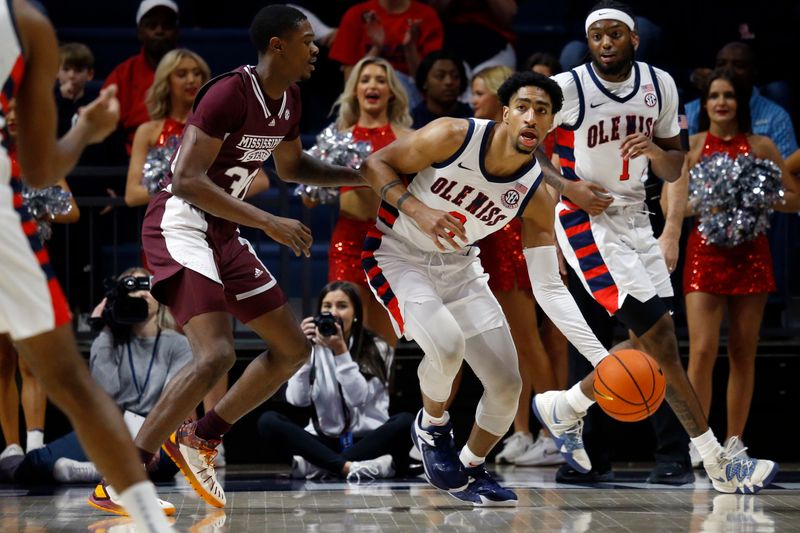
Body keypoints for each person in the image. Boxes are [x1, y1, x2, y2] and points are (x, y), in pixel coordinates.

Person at [88, 5, 365, 514]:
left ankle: (201, 437)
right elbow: (189, 179)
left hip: (224, 229)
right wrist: (268, 222)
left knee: (290, 349)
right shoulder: (227, 93)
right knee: (215, 356)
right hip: (180, 222)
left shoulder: (291, 99)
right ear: (277, 45)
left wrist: (364, 174)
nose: (316, 48)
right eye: (306, 40)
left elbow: (293, 165)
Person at [532, 1, 778, 495]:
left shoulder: (660, 85)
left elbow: (673, 166)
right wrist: (567, 187)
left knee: (652, 342)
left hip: (638, 221)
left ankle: (568, 404)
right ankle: (716, 463)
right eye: (596, 36)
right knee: (663, 340)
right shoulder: (569, 87)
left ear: (633, 39)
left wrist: (654, 152)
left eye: (614, 35)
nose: (605, 43)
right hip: (588, 221)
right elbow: (526, 148)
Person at [360, 70, 614, 505]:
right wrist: (417, 209)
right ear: (504, 113)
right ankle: (432, 426)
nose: (532, 117)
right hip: (398, 253)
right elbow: (374, 164)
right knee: (447, 345)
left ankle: (471, 467)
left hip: (460, 269)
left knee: (507, 384)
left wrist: (602, 360)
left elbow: (549, 288)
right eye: (523, 107)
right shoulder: (453, 134)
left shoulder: (536, 194)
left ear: (552, 122)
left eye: (543, 111)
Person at [0, 1, 172, 530]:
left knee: (66, 377)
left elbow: (40, 168)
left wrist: (86, 129)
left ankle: (143, 513)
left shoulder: (24, 25)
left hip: (3, 215)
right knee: (69, 380)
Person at [673, 68, 800, 465]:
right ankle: (699, 441)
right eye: (714, 96)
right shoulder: (691, 148)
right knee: (703, 350)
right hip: (705, 255)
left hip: (751, 256)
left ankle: (734, 440)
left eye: (728, 95)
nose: (721, 102)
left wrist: (757, 195)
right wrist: (710, 202)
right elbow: (669, 207)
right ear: (705, 104)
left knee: (744, 351)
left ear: (740, 103)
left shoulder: (761, 147)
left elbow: (793, 199)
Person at [1, 267, 191, 486]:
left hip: (155, 428)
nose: (142, 294)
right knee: (35, 462)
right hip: (110, 428)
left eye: (147, 287)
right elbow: (106, 394)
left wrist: (151, 437)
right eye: (133, 288)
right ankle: (111, 470)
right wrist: (105, 330)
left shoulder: (178, 344)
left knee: (172, 458)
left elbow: (172, 401)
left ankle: (97, 470)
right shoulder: (109, 340)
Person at [467, 65, 562, 467]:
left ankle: (555, 433)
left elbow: (544, 187)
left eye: (478, 93)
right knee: (510, 348)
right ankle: (522, 431)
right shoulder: (481, 134)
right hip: (485, 240)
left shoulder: (527, 134)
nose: (473, 101)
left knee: (527, 341)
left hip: (513, 240)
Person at [258, 281, 414, 481]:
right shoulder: (310, 348)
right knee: (268, 421)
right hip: (323, 440)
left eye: (342, 306)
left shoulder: (377, 346)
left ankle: (320, 467)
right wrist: (303, 355)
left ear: (355, 313)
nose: (334, 313)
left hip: (368, 440)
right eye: (327, 307)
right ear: (319, 313)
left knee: (405, 421)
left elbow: (358, 398)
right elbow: (297, 400)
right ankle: (357, 467)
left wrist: (341, 353)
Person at [0, 97, 80, 460]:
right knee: (2, 361)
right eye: (8, 109)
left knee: (31, 361)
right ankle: (11, 447)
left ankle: (35, 444)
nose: (15, 115)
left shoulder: (40, 157)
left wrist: (31, 205)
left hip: (33, 270)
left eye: (21, 108)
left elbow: (72, 211)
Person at [322, 56, 412, 346]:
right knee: (343, 332)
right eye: (365, 79)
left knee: (384, 341)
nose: (372, 85)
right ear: (355, 90)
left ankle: (381, 392)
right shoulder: (338, 139)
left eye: (380, 80)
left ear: (391, 92)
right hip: (348, 242)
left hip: (391, 243)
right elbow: (310, 199)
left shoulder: (408, 139)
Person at [124, 48, 211, 207]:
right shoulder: (147, 131)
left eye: (197, 73)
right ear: (167, 81)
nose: (192, 80)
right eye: (182, 74)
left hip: (209, 220)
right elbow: (132, 195)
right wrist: (184, 186)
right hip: (162, 222)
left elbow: (260, 180)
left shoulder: (214, 128)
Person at [685, 42, 798, 160]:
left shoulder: (776, 119)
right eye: (721, 64)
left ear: (754, 71)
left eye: (738, 65)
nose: (728, 70)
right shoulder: (688, 117)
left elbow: (786, 173)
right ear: (705, 105)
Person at [103, 0, 179, 154]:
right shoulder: (123, 74)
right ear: (140, 32)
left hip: (185, 159)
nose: (159, 30)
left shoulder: (193, 71)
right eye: (152, 25)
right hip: (132, 160)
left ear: (177, 31)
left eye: (167, 25)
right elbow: (105, 125)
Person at [410, 50, 472, 129]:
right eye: (440, 76)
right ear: (424, 82)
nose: (449, 82)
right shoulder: (410, 121)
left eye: (455, 76)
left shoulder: (473, 118)